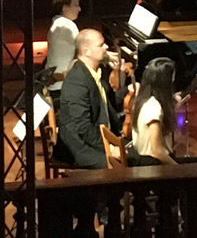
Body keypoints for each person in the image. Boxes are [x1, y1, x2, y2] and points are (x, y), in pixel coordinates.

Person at [128, 57, 197, 237]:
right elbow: (156, 150)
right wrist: (180, 170)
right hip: (153, 165)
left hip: (152, 162)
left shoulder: (145, 100)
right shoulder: (154, 108)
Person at [52, 28, 125, 238]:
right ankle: (106, 219)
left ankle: (108, 216)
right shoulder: (77, 80)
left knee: (127, 160)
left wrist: (125, 88)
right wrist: (109, 148)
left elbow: (107, 107)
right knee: (117, 166)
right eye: (101, 45)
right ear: (86, 51)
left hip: (94, 139)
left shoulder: (95, 74)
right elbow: (82, 128)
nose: (106, 48)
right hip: (78, 147)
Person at [46, 0, 84, 105]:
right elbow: (85, 47)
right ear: (64, 7)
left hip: (57, 84)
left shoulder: (57, 22)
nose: (79, 9)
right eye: (76, 5)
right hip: (62, 86)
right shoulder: (65, 25)